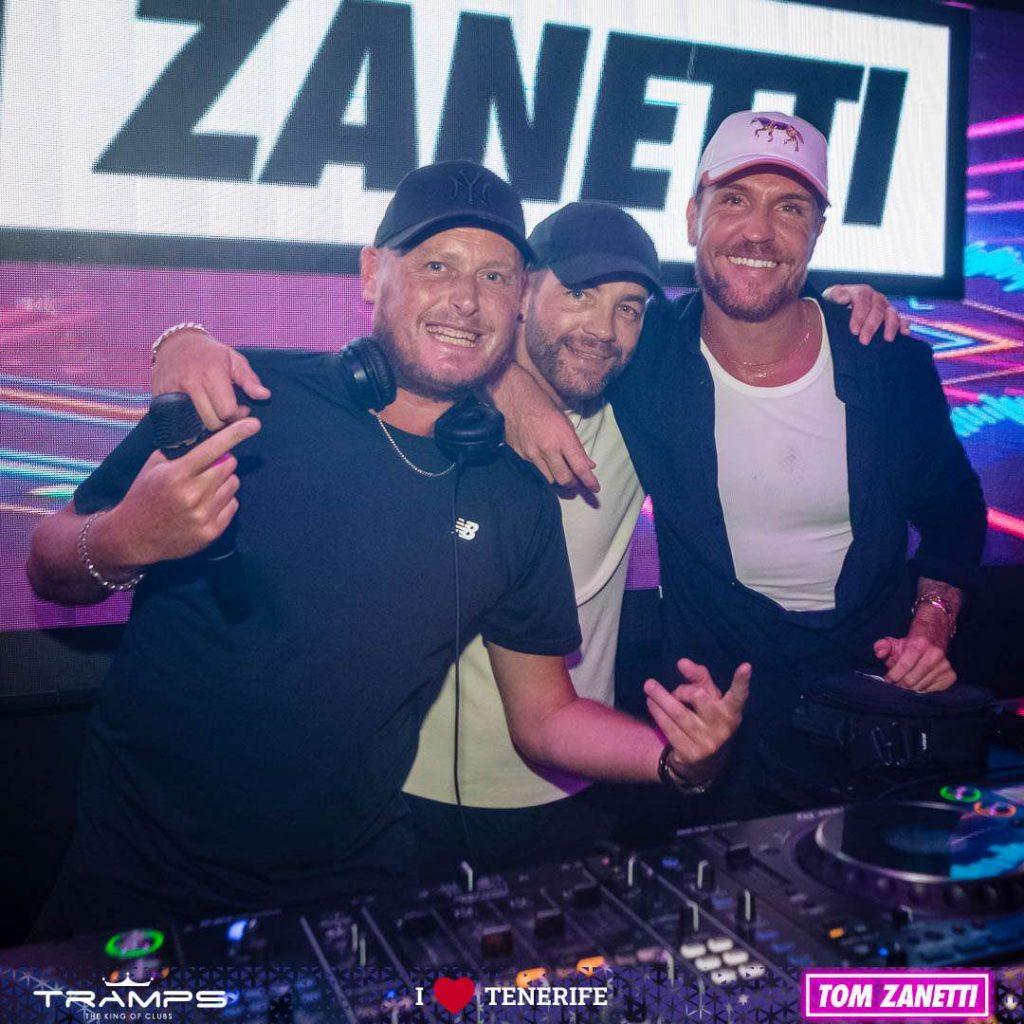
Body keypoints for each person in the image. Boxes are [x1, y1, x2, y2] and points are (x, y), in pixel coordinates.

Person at [27, 161, 752, 938]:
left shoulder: (514, 497)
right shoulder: (248, 400)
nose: (466, 299)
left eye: (494, 276)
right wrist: (125, 538)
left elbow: (546, 717)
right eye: (437, 266)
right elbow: (49, 563)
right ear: (373, 273)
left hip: (348, 886)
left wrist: (676, 759)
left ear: (517, 302)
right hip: (135, 875)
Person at [150, 192, 904, 875]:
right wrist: (179, 339)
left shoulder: (640, 418)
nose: (602, 329)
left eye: (629, 308)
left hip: (579, 779)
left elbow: (747, 330)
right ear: (521, 295)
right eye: (578, 294)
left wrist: (837, 307)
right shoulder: (437, 403)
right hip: (405, 792)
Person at [498, 112, 988, 819]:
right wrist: (509, 389)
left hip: (873, 720)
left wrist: (930, 626)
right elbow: (520, 337)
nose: (758, 231)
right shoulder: (644, 352)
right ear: (692, 217)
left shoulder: (886, 361)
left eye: (790, 208)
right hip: (710, 727)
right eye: (733, 199)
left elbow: (955, 512)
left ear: (817, 231)